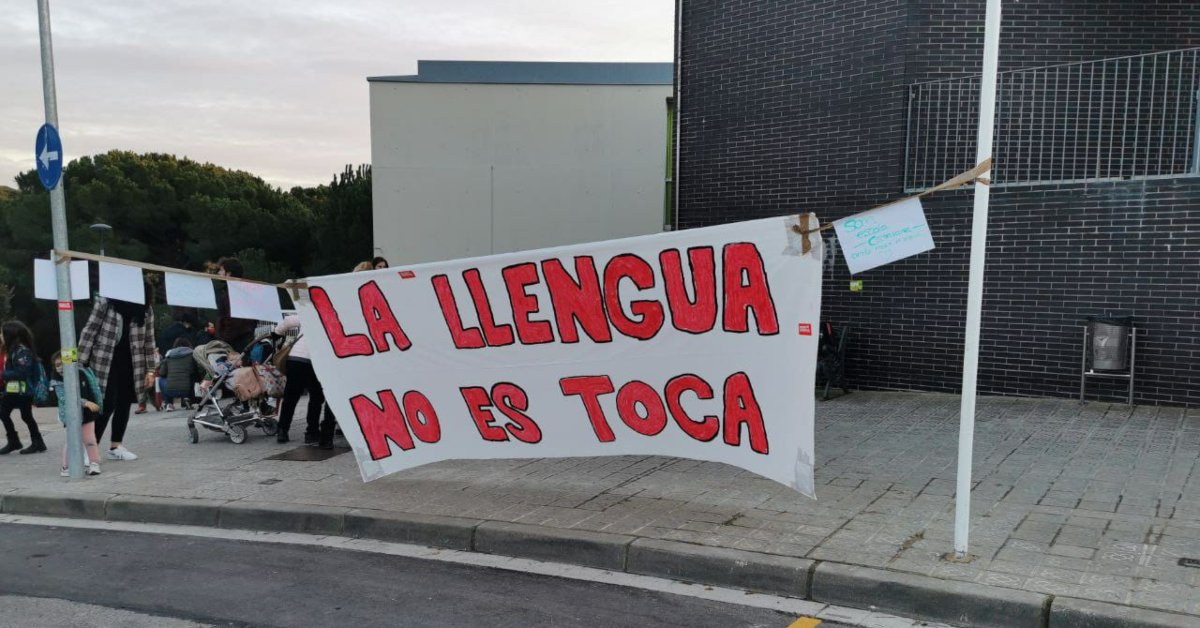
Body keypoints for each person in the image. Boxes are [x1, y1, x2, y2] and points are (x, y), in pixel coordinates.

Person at [78, 285, 158, 462]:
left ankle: (116, 446)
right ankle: (90, 446)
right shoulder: (107, 302)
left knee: (124, 401)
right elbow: (90, 330)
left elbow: (149, 340)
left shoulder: (145, 309)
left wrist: (151, 370)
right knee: (105, 403)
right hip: (104, 360)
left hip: (132, 362)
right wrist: (81, 362)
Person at [273, 314, 335, 448]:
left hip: (295, 359)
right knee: (316, 397)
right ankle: (311, 432)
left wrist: (276, 333)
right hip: (316, 361)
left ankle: (282, 430)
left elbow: (288, 320)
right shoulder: (331, 316)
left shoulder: (309, 313)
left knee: (291, 396)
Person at [49, 354, 102, 476]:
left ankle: (94, 463)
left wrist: (97, 403)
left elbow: (93, 388)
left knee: (90, 439)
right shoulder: (56, 381)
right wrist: (86, 402)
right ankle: (66, 467)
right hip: (70, 416)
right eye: (57, 365)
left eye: (63, 363)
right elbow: (66, 397)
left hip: (87, 414)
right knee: (71, 440)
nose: (61, 367)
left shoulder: (82, 373)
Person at [0, 320, 46, 454]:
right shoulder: (15, 351)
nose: (1, 336)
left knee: (7, 413)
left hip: (22, 391)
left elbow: (21, 373)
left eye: (3, 333)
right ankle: (36, 442)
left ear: (11, 335)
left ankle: (17, 441)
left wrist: (2, 374)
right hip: (16, 390)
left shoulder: (22, 351)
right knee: (25, 416)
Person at [215, 257, 257, 352]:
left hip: (235, 344)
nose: (219, 273)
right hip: (245, 340)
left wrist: (223, 340)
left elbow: (233, 321)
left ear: (229, 274)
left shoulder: (232, 292)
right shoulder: (247, 290)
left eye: (221, 270)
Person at [158, 337, 197, 410]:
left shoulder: (169, 355)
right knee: (191, 377)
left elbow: (162, 373)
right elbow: (193, 371)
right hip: (187, 390)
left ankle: (169, 403)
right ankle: (187, 399)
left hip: (170, 391)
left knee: (161, 379)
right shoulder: (192, 354)